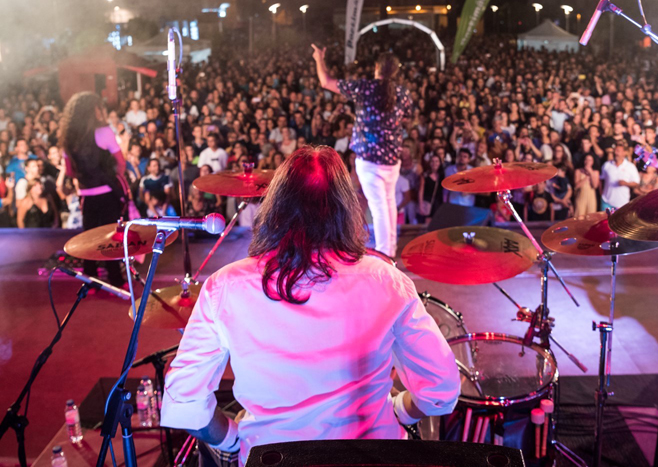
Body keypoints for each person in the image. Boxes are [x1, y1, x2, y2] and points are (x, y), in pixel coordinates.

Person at [161, 147, 459, 466]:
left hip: (270, 458)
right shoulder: (386, 280)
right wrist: (398, 408)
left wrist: (232, 439)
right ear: (346, 208)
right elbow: (441, 390)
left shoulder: (226, 285)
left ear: (275, 206)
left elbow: (185, 403)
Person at [311, 46, 412, 258]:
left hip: (369, 158)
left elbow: (326, 82)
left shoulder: (364, 87)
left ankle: (386, 252)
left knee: (379, 206)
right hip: (392, 158)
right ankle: (390, 246)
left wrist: (319, 59)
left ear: (377, 68)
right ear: (395, 71)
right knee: (388, 202)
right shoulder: (402, 92)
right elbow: (406, 119)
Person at [61, 92, 128, 288]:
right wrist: (113, 177)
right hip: (107, 192)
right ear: (94, 111)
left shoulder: (68, 139)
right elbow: (121, 163)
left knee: (89, 239)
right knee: (110, 237)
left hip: (86, 195)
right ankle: (115, 280)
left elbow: (70, 171)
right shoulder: (104, 132)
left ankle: (89, 282)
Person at [599, 143, 640, 211]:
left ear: (624, 153)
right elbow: (601, 180)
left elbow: (636, 183)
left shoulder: (630, 166)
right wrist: (601, 194)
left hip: (622, 204)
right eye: (615, 150)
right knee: (605, 221)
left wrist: (626, 183)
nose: (615, 153)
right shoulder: (607, 165)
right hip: (606, 202)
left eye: (618, 151)